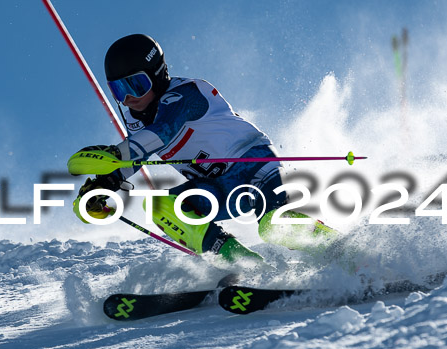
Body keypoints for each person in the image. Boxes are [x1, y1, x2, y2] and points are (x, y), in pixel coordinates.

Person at [70, 34, 333, 262]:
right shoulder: (136, 118)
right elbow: (136, 157)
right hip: (217, 187)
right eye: (118, 90)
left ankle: (342, 251)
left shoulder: (187, 94)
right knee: (161, 206)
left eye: (137, 85)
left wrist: (115, 156)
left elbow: (162, 132)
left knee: (273, 226)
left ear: (158, 75)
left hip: (256, 168)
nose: (129, 98)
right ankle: (240, 263)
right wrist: (106, 183)